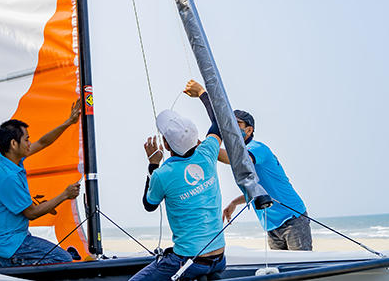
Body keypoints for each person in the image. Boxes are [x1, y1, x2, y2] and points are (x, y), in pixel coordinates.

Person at [184, 80, 312, 251]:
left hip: (292, 219)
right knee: (281, 267)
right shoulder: (243, 151)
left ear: (249, 130)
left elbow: (236, 159)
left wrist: (202, 94)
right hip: (271, 225)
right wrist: (234, 202)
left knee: (299, 265)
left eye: (236, 124)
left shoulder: (257, 148)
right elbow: (256, 188)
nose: (231, 127)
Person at [0, 100, 82, 268]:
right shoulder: (7, 177)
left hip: (16, 237)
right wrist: (65, 194)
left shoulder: (7, 159)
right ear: (14, 144)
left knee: (61, 256)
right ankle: (0, 262)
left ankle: (8, 259)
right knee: (63, 259)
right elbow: (32, 213)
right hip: (11, 245)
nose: (30, 143)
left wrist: (68, 122)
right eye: (27, 139)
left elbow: (43, 142)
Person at [132, 104, 226, 281]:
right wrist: (202, 94)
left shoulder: (162, 174)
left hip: (188, 262)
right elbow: (218, 120)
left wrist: (153, 164)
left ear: (166, 145)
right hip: (219, 258)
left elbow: (149, 205)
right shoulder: (208, 151)